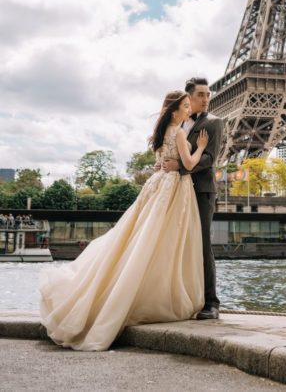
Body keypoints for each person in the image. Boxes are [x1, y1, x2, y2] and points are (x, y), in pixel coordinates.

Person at [40, 90, 207, 351]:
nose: (189, 109)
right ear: (175, 110)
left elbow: (160, 162)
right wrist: (202, 149)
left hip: (157, 186)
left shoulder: (161, 133)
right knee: (168, 243)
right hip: (174, 188)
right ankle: (161, 293)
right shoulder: (181, 132)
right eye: (185, 105)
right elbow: (188, 162)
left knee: (142, 238)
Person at [161, 77, 223, 319]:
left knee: (203, 244)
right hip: (177, 189)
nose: (206, 99)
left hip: (201, 190)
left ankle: (211, 303)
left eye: (208, 94)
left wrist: (180, 167)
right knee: (176, 244)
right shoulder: (179, 124)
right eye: (200, 95)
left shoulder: (215, 123)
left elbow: (210, 158)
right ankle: (182, 297)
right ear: (188, 97)